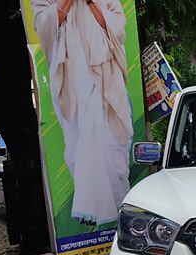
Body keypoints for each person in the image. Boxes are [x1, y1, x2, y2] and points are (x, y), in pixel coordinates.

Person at [31, 0, 133, 226]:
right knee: (82, 139)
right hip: (72, 77)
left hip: (106, 75)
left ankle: (117, 204)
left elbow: (116, 29)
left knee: (111, 139)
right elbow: (45, 27)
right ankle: (90, 207)